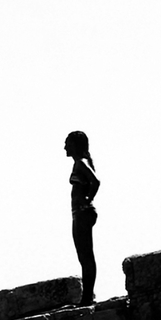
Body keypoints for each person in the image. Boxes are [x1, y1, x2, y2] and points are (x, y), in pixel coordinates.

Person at [66, 131, 101, 305]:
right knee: (83, 256)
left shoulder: (81, 163)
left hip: (83, 212)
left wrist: (87, 200)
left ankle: (87, 297)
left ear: (76, 145)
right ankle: (87, 295)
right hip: (79, 213)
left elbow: (95, 181)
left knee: (86, 256)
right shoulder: (80, 164)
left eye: (68, 143)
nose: (65, 147)